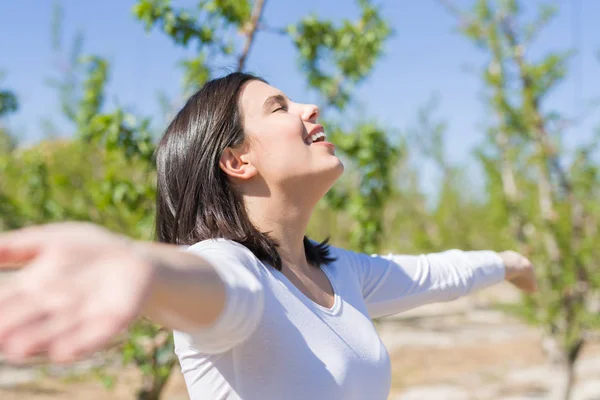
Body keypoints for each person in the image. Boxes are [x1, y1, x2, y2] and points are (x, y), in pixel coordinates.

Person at [0, 72, 536, 400]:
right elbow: (206, 283)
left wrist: (510, 262)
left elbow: (437, 274)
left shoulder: (339, 273)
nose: (311, 108)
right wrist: (137, 265)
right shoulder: (234, 269)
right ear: (237, 159)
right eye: (279, 106)